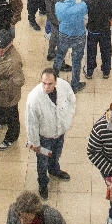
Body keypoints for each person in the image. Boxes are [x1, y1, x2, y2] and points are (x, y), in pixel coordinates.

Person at [25, 67, 76, 200]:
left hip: (59, 133)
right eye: (44, 83)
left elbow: (72, 99)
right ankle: (43, 184)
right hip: (44, 138)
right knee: (42, 163)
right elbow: (31, 124)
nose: (46, 87)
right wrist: (35, 143)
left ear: (56, 82)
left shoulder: (64, 86)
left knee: (56, 154)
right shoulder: (34, 99)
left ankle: (54, 170)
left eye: (50, 84)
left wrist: (67, 118)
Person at [0, 28, 25, 150]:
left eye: (3, 48)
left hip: (9, 96)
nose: (0, 50)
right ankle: (1, 120)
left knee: (12, 117)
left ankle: (11, 138)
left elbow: (19, 81)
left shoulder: (14, 61)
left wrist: (0, 84)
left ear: (11, 43)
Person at [53, 0, 87, 94]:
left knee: (59, 56)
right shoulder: (82, 6)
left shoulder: (58, 6)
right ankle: (75, 84)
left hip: (64, 34)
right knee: (76, 60)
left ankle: (53, 79)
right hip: (79, 36)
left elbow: (58, 18)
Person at [84, 0, 112, 80]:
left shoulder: (88, 2)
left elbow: (85, 17)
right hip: (105, 31)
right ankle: (106, 71)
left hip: (92, 31)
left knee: (90, 52)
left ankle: (89, 72)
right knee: (106, 51)